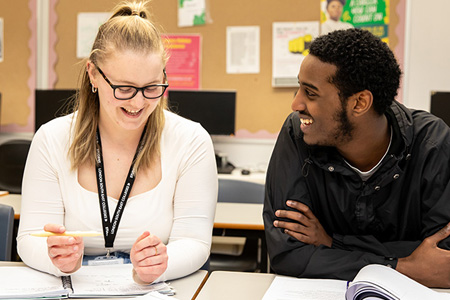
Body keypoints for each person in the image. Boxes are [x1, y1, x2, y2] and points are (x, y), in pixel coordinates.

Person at [17, 0, 217, 284]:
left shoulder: (191, 141)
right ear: (93, 74)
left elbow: (194, 242)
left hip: (152, 288)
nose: (138, 102)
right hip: (73, 284)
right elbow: (29, 239)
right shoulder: (52, 139)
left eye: (151, 87)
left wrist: (161, 264)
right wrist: (55, 257)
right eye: (124, 88)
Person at [263, 28, 450, 288]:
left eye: (311, 93)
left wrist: (332, 242)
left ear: (360, 103)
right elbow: (288, 254)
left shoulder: (433, 143)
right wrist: (401, 266)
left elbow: (442, 259)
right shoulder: (297, 133)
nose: (296, 104)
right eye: (299, 88)